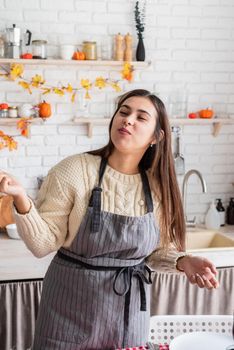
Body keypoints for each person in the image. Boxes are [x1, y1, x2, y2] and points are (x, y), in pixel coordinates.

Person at [0, 89, 219, 350]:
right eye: (124, 112)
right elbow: (42, 244)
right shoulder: (75, 170)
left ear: (156, 137)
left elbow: (156, 252)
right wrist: (21, 198)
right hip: (68, 308)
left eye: (141, 117)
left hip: (128, 314)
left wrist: (184, 260)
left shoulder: (159, 187)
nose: (128, 120)